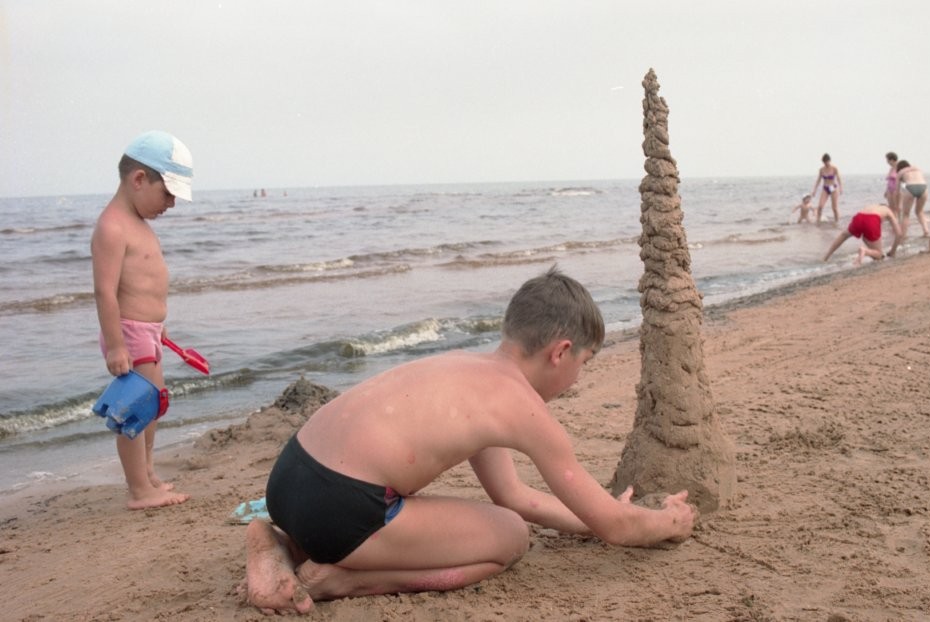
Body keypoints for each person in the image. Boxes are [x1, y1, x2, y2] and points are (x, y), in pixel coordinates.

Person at [243, 268, 698, 614]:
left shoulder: (466, 368)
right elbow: (616, 529)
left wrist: (599, 514)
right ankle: (341, 581)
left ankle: (281, 542)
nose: (578, 377)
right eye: (585, 362)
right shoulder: (520, 405)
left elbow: (513, 494)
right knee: (510, 538)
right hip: (341, 508)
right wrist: (667, 522)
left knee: (503, 516)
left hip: (288, 481)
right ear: (561, 352)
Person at [91, 130, 194, 510]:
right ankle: (138, 490)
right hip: (129, 334)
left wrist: (157, 326)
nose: (171, 203)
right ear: (138, 179)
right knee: (134, 410)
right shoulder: (112, 227)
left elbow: (142, 285)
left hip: (146, 332)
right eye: (167, 193)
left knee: (154, 405)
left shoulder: (138, 224)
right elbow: (105, 291)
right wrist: (117, 345)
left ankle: (147, 474)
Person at [823, 204, 901, 265]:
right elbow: (899, 234)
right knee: (879, 254)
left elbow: (865, 236)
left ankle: (826, 257)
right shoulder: (888, 211)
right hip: (872, 220)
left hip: (859, 216)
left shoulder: (873, 206)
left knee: (843, 235)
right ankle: (865, 251)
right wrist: (893, 251)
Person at [896, 160, 929, 238]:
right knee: (919, 212)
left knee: (906, 214)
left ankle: (903, 235)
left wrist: (898, 202)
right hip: (923, 187)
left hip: (910, 187)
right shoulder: (917, 169)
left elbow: (897, 190)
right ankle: (926, 231)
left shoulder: (900, 172)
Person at [810, 153, 843, 224]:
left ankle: (837, 222)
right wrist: (814, 190)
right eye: (824, 162)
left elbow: (839, 178)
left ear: (829, 160)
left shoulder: (834, 168)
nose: (826, 163)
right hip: (825, 188)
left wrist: (841, 188)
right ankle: (818, 222)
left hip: (833, 188)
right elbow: (818, 180)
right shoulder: (821, 169)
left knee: (834, 208)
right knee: (820, 206)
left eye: (827, 161)